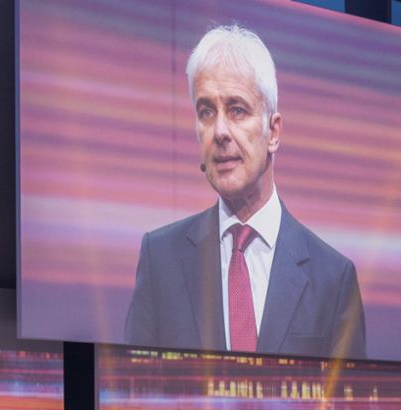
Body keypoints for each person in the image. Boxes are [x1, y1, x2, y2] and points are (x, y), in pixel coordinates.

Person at [123, 24, 366, 359]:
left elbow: (344, 408)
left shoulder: (333, 279)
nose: (220, 131)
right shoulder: (159, 259)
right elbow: (134, 395)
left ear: (273, 132)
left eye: (237, 109)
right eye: (206, 112)